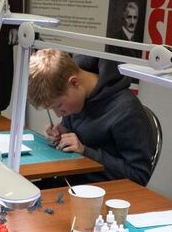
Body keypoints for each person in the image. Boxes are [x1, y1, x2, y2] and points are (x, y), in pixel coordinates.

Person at [28, 49, 154, 186]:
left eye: (59, 106)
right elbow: (79, 133)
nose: (58, 114)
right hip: (70, 180)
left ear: (74, 83)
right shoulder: (78, 98)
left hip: (102, 192)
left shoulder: (126, 111)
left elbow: (139, 176)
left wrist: (85, 151)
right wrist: (63, 134)